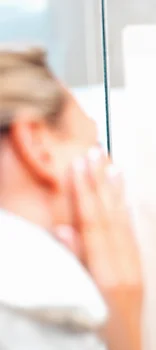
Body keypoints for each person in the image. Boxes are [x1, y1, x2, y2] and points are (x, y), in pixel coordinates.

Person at [0, 46, 143, 349]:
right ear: (37, 145)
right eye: (95, 146)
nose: (110, 172)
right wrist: (125, 328)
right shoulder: (49, 311)